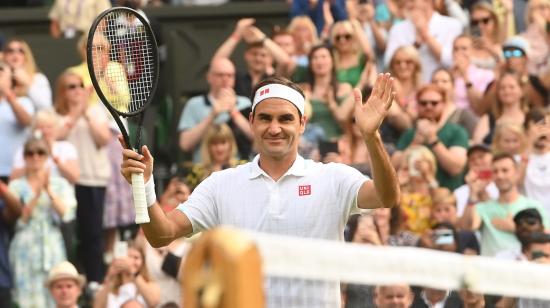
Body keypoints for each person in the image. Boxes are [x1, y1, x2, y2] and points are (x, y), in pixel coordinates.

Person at [121, 74, 400, 306]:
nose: (275, 128)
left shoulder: (332, 177)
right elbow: (161, 234)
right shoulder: (222, 184)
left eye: (285, 119)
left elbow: (386, 197)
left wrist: (371, 136)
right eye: (265, 118)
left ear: (302, 123)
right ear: (252, 121)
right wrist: (143, 184)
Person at [9, 137, 76, 307]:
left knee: (56, 292)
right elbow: (19, 220)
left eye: (40, 152)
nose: (35, 157)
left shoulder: (60, 184)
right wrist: (37, 195)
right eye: (30, 153)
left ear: (47, 156)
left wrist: (48, 190)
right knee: (27, 296)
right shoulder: (16, 186)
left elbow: (66, 214)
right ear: (24, 157)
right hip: (25, 245)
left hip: (51, 243)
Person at [462, 153, 550, 256]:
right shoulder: (483, 207)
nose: (500, 176)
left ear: (516, 173)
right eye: (495, 171)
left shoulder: (533, 206)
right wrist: (472, 193)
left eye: (505, 170)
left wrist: (516, 228)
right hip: (492, 269)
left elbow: (547, 237)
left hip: (525, 269)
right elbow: (468, 227)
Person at [393, 84, 469, 190]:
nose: (429, 106)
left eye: (434, 103)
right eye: (423, 103)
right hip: (412, 200)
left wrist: (432, 139)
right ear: (417, 105)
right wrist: (414, 143)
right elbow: (392, 167)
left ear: (444, 105)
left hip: (445, 200)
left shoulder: (457, 131)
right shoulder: (410, 134)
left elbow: (456, 167)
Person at [177, 57, 253, 162]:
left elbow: (257, 139)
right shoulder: (194, 104)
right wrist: (212, 115)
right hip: (204, 171)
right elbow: (185, 145)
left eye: (230, 75)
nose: (225, 79)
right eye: (220, 75)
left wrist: (234, 112)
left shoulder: (245, 103)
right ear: (209, 77)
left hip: (240, 168)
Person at [384, 0, 463, 82]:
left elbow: (452, 61)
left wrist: (426, 35)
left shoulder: (453, 25)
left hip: (441, 88)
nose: (408, 3)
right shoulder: (397, 29)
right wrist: (416, 44)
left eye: (413, 1)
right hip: (409, 90)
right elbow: (389, 63)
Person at [93, 241, 160, 308]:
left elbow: (153, 302)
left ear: (143, 261)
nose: (130, 261)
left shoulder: (149, 284)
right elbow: (97, 306)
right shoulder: (111, 285)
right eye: (128, 256)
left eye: (136, 258)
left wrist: (133, 273)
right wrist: (109, 277)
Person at [0, 60, 34, 182]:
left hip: (15, 173)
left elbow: (26, 121)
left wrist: (8, 94)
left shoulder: (23, 102)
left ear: (11, 81)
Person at [3, 38, 52, 110]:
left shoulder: (38, 78)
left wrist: (28, 84)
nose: (15, 55)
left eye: (21, 51)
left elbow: (46, 107)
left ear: (26, 56)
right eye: (10, 51)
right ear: (4, 56)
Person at [431, 68, 478, 138]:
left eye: (444, 81)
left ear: (453, 86)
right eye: (435, 81)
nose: (439, 85)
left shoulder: (464, 115)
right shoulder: (424, 112)